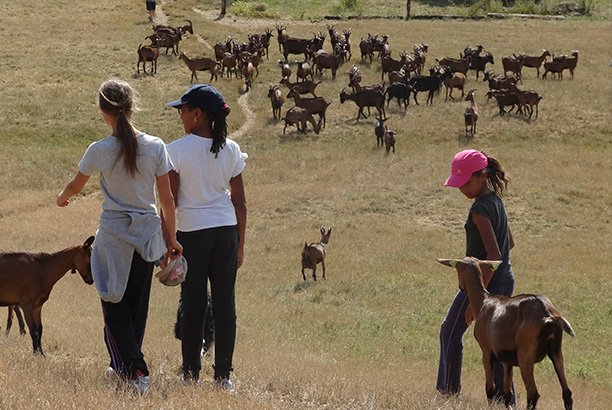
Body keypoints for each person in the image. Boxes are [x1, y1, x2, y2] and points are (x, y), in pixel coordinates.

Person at [57, 79, 182, 394]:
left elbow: (76, 185)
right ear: (130, 107)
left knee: (113, 305)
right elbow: (166, 200)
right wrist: (172, 238)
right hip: (147, 235)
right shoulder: (155, 146)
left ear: (103, 110)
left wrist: (62, 197)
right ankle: (122, 366)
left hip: (113, 237)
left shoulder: (99, 149)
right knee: (136, 308)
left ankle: (136, 370)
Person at [163, 84, 247, 391]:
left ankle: (190, 375)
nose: (180, 116)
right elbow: (240, 203)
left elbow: (169, 201)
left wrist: (168, 240)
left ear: (198, 115)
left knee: (194, 305)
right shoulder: (232, 150)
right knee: (226, 304)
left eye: (183, 111)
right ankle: (223, 377)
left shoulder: (176, 150)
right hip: (226, 233)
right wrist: (240, 244)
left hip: (191, 235)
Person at [437, 149, 516, 404]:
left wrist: (475, 299)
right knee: (500, 344)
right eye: (459, 185)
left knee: (449, 332)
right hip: (505, 279)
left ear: (482, 176)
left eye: (467, 183)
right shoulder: (496, 201)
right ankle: (507, 403)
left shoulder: (479, 210)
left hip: (480, 281)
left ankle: (447, 394)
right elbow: (509, 244)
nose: (463, 189)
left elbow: (493, 255)